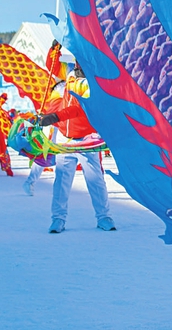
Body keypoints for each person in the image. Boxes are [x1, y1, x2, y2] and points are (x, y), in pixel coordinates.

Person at [36, 68, 115, 234]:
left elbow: (77, 110)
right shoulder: (71, 73)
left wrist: (54, 117)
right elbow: (54, 66)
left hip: (86, 138)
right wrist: (54, 51)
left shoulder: (93, 82)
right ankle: (58, 218)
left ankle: (103, 217)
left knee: (95, 179)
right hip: (65, 137)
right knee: (62, 180)